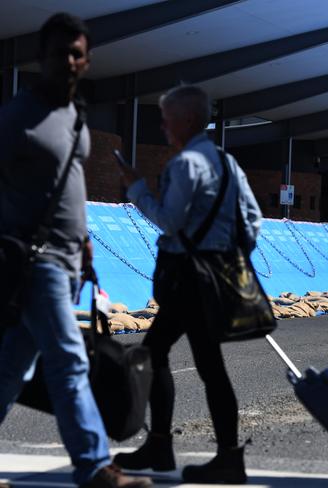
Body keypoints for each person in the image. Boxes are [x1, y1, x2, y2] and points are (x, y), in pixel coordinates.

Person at [0, 13, 152, 488]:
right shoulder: (16, 117)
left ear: (86, 61)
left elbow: (71, 187)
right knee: (69, 359)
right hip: (33, 259)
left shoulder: (79, 121)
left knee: (12, 367)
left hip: (68, 260)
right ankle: (93, 466)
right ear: (40, 59)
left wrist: (85, 243)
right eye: (59, 53)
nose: (68, 61)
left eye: (77, 53)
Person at [115, 85, 262, 484]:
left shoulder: (186, 165)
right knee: (190, 357)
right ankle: (194, 451)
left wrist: (136, 188)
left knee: (163, 353)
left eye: (167, 118)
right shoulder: (229, 163)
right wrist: (227, 255)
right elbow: (253, 220)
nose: (162, 125)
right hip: (217, 274)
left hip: (189, 279)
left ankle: (177, 448)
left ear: (188, 121)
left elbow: (169, 220)